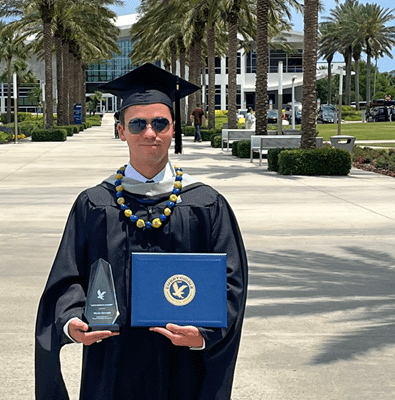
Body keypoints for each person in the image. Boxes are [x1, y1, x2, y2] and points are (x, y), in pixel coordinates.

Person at [34, 63, 248, 400]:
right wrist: (72, 321)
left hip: (182, 363)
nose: (150, 133)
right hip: (112, 361)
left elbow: (231, 282)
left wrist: (206, 333)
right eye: (138, 123)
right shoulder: (95, 204)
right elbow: (67, 277)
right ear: (121, 131)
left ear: (172, 128)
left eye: (160, 123)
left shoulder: (205, 204)